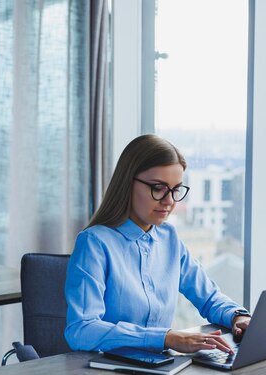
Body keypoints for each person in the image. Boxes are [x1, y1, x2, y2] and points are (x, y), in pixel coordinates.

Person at [64, 134, 251, 354]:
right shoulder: (95, 244)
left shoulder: (169, 237)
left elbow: (209, 297)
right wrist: (165, 338)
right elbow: (81, 330)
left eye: (175, 190)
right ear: (128, 184)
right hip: (107, 374)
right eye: (158, 188)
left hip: (161, 369)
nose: (169, 201)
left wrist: (238, 316)